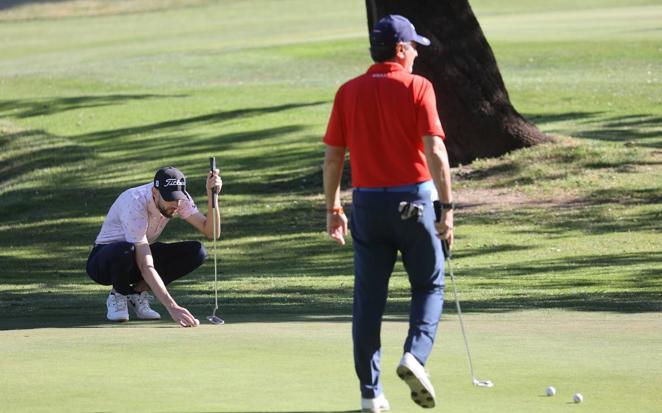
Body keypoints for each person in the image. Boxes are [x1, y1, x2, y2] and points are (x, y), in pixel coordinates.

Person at [322, 14, 454, 412]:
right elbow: (435, 151)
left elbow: (332, 159)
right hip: (414, 201)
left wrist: (332, 208)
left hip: (367, 206)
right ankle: (415, 355)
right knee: (429, 286)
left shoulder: (348, 92)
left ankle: (371, 394)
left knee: (368, 301)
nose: (415, 53)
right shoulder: (418, 87)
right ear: (400, 50)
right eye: (413, 46)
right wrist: (446, 209)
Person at [86, 165, 222, 327]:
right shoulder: (134, 202)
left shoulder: (180, 200)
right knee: (125, 249)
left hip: (136, 258)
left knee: (196, 252)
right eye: (169, 198)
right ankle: (119, 294)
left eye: (178, 198)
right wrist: (172, 307)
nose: (175, 204)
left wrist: (212, 195)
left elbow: (211, 232)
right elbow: (145, 265)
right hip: (104, 263)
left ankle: (136, 293)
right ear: (154, 192)